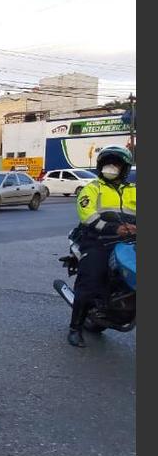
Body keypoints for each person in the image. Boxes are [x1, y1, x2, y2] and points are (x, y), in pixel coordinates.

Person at [67, 144, 137, 347]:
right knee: (90, 281)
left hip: (130, 242)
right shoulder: (92, 188)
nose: (111, 167)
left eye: (115, 164)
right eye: (107, 163)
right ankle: (75, 328)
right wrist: (115, 229)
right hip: (98, 241)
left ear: (124, 168)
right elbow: (87, 215)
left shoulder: (133, 190)